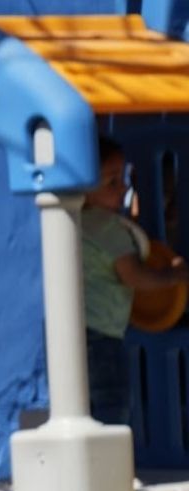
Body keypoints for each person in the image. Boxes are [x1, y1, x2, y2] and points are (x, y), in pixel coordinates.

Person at [82, 136, 189, 425]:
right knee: (111, 401)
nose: (124, 188)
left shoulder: (75, 223)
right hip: (102, 334)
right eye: (112, 182)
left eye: (124, 179)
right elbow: (135, 276)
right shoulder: (107, 227)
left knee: (86, 402)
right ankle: (109, 447)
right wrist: (174, 274)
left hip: (78, 332)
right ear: (83, 188)